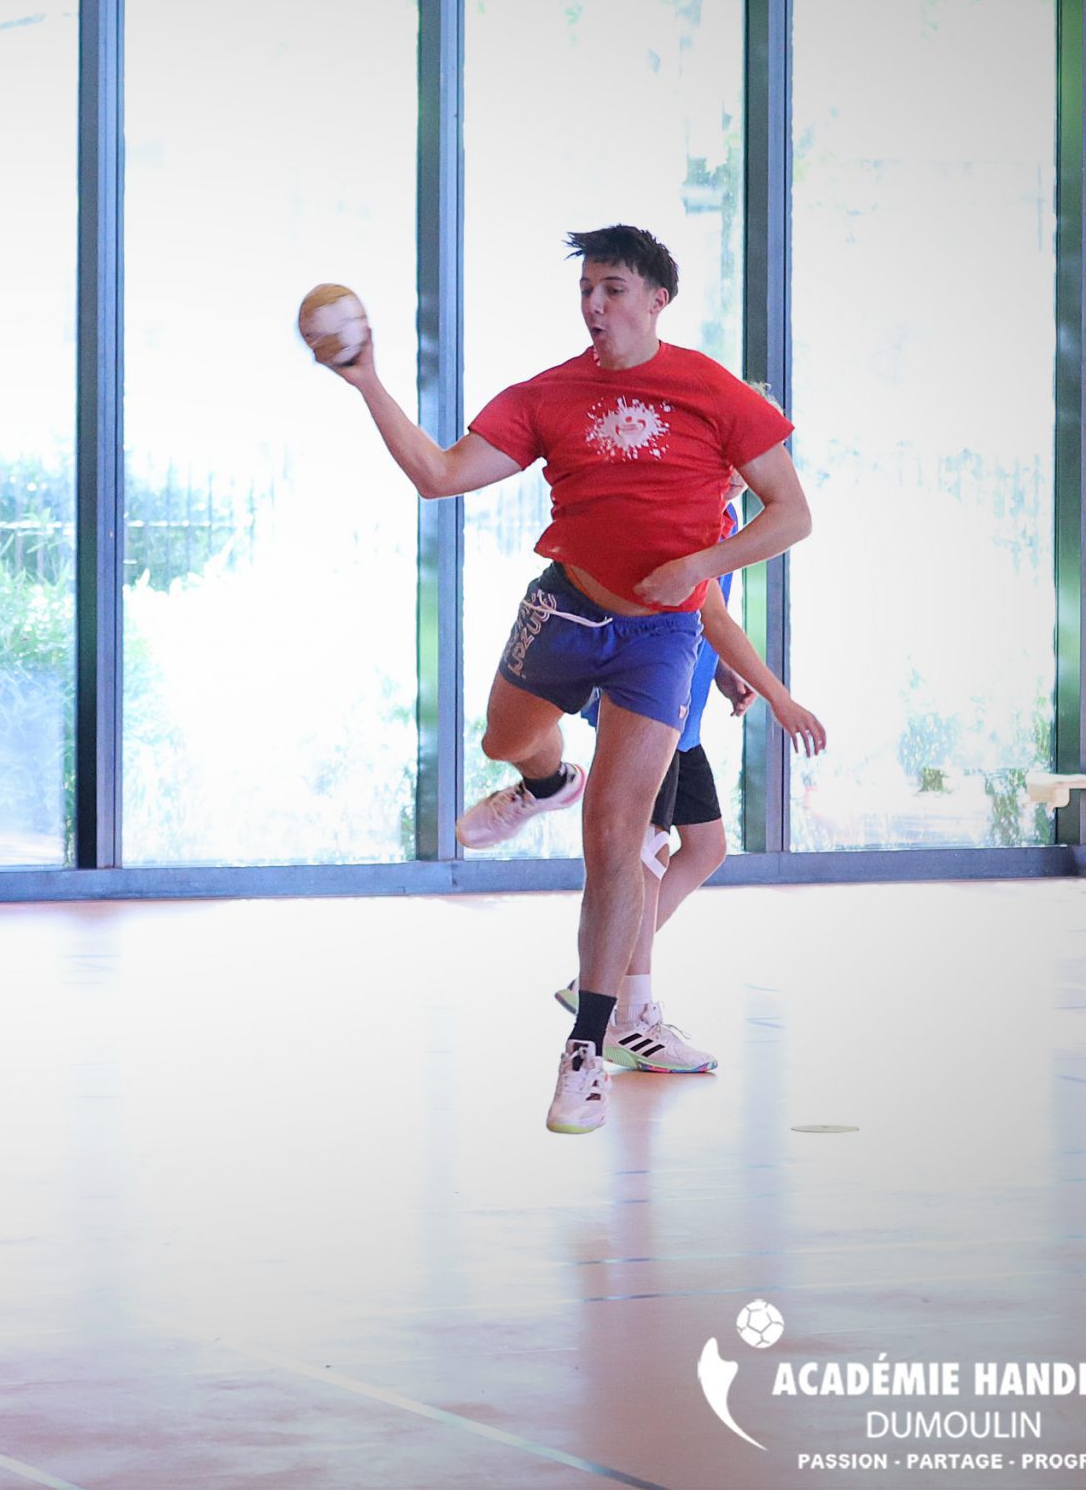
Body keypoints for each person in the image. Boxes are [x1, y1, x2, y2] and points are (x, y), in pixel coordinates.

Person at [330, 224, 810, 1134]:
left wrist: (699, 567)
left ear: (658, 298)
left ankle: (588, 1046)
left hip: (660, 637)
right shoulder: (549, 394)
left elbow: (791, 514)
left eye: (613, 288)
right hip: (566, 608)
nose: (595, 304)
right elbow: (438, 475)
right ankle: (545, 781)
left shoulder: (716, 392)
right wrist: (368, 382)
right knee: (503, 738)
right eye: (587, 288)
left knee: (618, 837)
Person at [554, 466, 829, 1074]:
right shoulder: (687, 518)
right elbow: (713, 617)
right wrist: (781, 699)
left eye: (747, 466)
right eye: (728, 462)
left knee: (705, 847)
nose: (738, 476)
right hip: (650, 712)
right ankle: (631, 1015)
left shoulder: (725, 520)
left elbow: (702, 616)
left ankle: (599, 973)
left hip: (686, 717)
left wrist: (723, 670)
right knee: (645, 859)